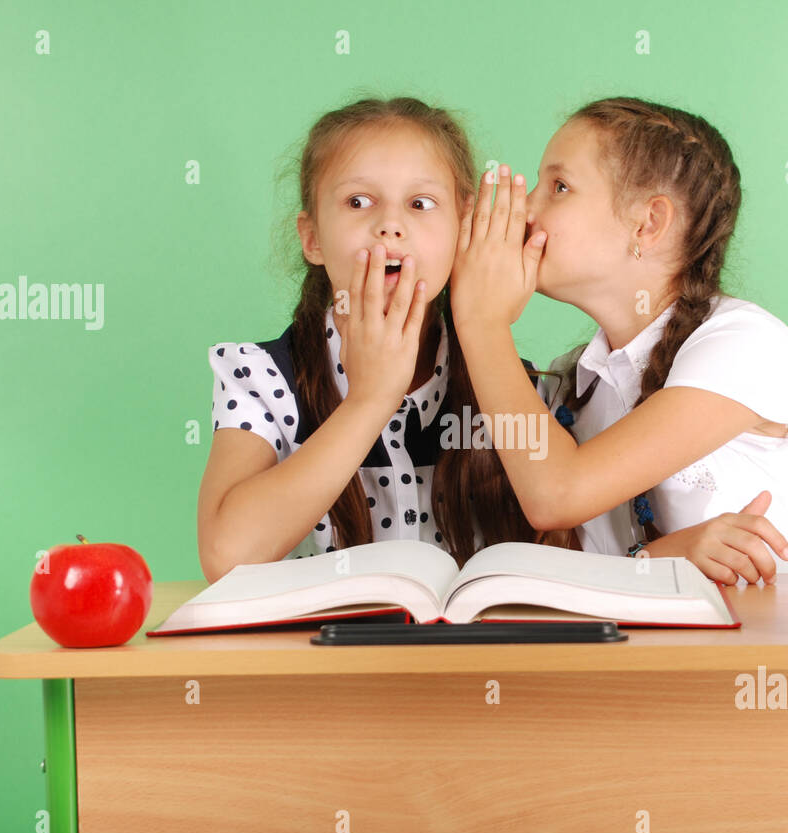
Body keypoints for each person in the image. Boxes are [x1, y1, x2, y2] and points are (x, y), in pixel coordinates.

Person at [449, 96, 788, 587]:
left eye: (559, 187)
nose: (526, 209)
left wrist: (481, 322)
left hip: (754, 663)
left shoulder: (747, 345)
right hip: (644, 664)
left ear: (648, 223)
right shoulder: (577, 382)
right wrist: (657, 559)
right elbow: (582, 583)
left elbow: (556, 495)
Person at [197, 97, 544, 584]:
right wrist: (369, 400)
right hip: (321, 659)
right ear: (312, 237)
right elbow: (226, 555)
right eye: (358, 202)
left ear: (462, 228)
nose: (390, 225)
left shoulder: (507, 380)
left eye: (420, 204)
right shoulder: (258, 375)